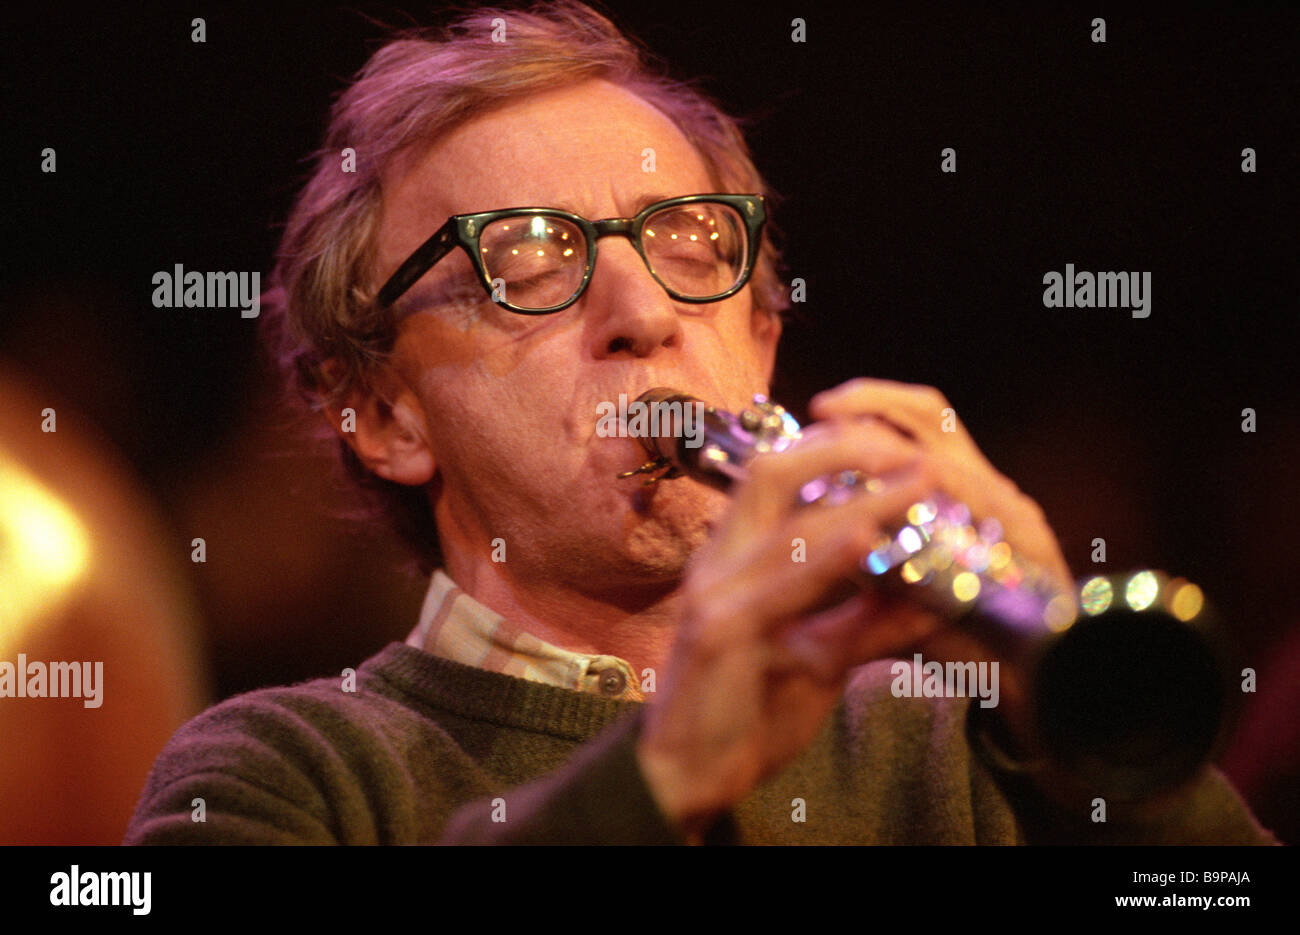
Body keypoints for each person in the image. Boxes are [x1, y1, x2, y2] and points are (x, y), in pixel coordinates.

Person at [124, 1, 1276, 845]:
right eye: (527, 257)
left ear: (764, 343)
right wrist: (665, 769)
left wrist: (1105, 740)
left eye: (690, 245)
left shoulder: (966, 746)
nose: (645, 311)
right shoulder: (284, 773)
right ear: (381, 410)